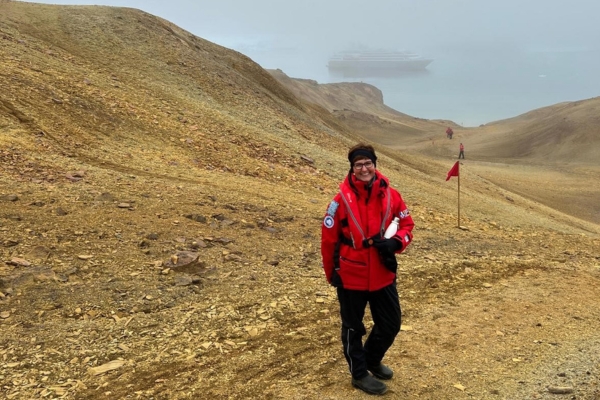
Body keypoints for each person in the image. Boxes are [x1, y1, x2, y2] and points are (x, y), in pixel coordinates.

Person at [321, 143, 415, 395]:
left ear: (375, 164)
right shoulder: (339, 201)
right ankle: (359, 373)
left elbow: (407, 225)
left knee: (390, 323)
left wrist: (396, 242)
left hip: (383, 272)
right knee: (353, 326)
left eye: (367, 163)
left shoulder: (392, 195)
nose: (364, 168)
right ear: (352, 169)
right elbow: (328, 239)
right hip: (352, 274)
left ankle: (372, 359)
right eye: (358, 164)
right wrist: (332, 273)